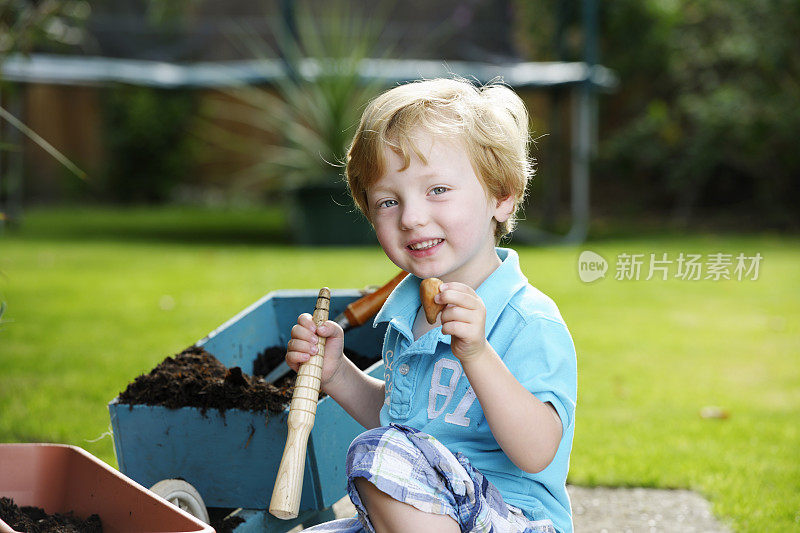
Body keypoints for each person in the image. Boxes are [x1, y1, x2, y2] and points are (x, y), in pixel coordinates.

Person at [286, 77, 577, 533]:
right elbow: (407, 419)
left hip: (511, 518)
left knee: (377, 451)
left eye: (437, 190)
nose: (411, 217)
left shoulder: (526, 319)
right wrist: (338, 373)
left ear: (502, 196)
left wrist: (477, 355)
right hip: (427, 511)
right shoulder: (409, 314)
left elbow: (539, 451)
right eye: (388, 201)